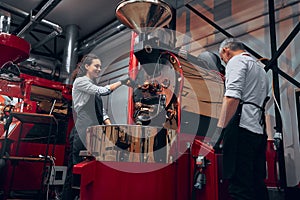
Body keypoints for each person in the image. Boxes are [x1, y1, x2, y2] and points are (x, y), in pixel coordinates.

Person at [61, 53, 131, 199]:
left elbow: (102, 112)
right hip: (82, 129)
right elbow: (103, 91)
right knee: (78, 169)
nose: (99, 69)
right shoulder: (80, 82)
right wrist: (122, 82)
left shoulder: (92, 86)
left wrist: (111, 127)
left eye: (100, 66)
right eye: (96, 66)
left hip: (94, 130)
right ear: (87, 66)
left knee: (89, 168)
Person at [213, 38, 269, 200]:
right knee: (257, 183)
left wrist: (219, 131)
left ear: (226, 51)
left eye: (222, 58)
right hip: (258, 131)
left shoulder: (236, 62)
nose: (224, 62)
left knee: (239, 187)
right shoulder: (259, 68)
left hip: (241, 130)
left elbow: (232, 97)